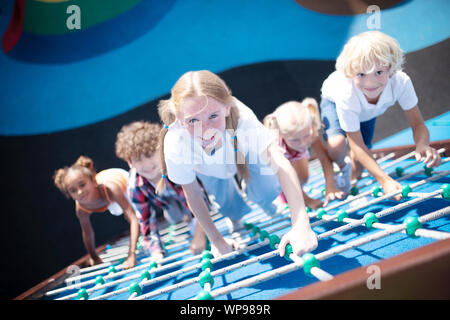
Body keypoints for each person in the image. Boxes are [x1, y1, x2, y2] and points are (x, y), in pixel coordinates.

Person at [156, 70, 317, 258]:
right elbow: (192, 194)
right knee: (228, 206)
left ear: (226, 108)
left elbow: (278, 161)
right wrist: (217, 241)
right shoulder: (176, 143)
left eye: (213, 116)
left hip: (242, 153)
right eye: (193, 120)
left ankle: (263, 200)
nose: (204, 129)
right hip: (208, 168)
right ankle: (234, 215)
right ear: (178, 117)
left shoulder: (242, 118)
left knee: (268, 189)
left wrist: (301, 225)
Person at [320, 31, 441, 200]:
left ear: (390, 68)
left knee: (360, 164)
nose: (370, 83)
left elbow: (418, 124)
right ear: (351, 73)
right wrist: (384, 180)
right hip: (333, 101)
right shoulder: (345, 93)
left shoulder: (400, 82)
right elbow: (356, 144)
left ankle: (352, 169)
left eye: (378, 72)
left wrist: (423, 144)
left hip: (366, 112)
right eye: (361, 74)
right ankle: (340, 165)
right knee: (337, 144)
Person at [115, 121, 206, 260]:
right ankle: (178, 213)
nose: (147, 164)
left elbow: (198, 198)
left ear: (161, 149)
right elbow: (146, 220)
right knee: (174, 218)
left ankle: (189, 217)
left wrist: (200, 235)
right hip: (164, 201)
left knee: (194, 216)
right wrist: (156, 250)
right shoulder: (134, 186)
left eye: (150, 154)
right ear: (129, 162)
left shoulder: (175, 165)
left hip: (188, 195)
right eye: (138, 160)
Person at [53, 156, 139, 269]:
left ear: (94, 181)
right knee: (117, 211)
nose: (79, 192)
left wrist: (131, 255)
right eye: (73, 190)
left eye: (82, 185)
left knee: (138, 215)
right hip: (112, 203)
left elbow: (133, 218)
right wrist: (94, 257)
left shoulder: (110, 189)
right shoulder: (81, 208)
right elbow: (88, 233)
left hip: (126, 184)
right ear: (69, 194)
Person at [264, 98, 346, 208]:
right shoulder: (275, 145)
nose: (302, 143)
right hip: (269, 169)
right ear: (282, 135)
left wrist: (330, 186)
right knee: (285, 182)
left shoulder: (309, 131)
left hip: (293, 154)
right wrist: (307, 200)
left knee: (303, 178)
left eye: (306, 136)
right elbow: (285, 177)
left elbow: (324, 159)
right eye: (295, 140)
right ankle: (282, 193)